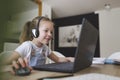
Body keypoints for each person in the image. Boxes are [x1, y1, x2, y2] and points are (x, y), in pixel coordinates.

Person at [5, 16, 74, 74]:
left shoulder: (45, 48)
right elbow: (6, 63)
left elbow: (58, 59)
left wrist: (69, 58)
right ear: (35, 32)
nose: (50, 34)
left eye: (51, 32)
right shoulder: (27, 46)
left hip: (41, 75)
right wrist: (13, 65)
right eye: (46, 31)